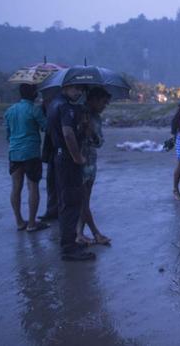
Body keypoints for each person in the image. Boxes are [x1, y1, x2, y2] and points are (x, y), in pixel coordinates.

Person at [47, 84, 95, 261]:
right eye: (76, 88)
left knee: (65, 202)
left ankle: (69, 243)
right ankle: (69, 248)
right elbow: (67, 134)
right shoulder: (65, 107)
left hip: (59, 157)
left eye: (81, 89)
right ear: (65, 87)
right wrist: (78, 158)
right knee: (71, 203)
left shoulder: (54, 104)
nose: (79, 92)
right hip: (67, 160)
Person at [5, 84, 49, 232]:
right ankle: (31, 223)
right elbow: (46, 127)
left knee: (16, 187)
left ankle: (19, 221)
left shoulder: (10, 110)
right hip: (31, 153)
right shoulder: (34, 110)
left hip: (14, 153)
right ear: (34, 93)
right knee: (33, 186)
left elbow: (8, 135)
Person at [75, 87, 112, 245]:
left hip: (91, 163)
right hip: (79, 163)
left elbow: (99, 142)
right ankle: (96, 233)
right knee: (83, 202)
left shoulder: (96, 118)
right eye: (103, 103)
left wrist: (92, 134)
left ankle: (79, 233)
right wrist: (83, 130)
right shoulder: (78, 113)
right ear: (94, 100)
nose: (105, 106)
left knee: (86, 201)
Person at [38, 95, 59, 221]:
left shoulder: (64, 103)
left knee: (60, 181)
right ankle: (52, 210)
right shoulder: (47, 103)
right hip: (52, 147)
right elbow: (43, 125)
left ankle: (57, 210)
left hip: (59, 147)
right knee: (51, 181)